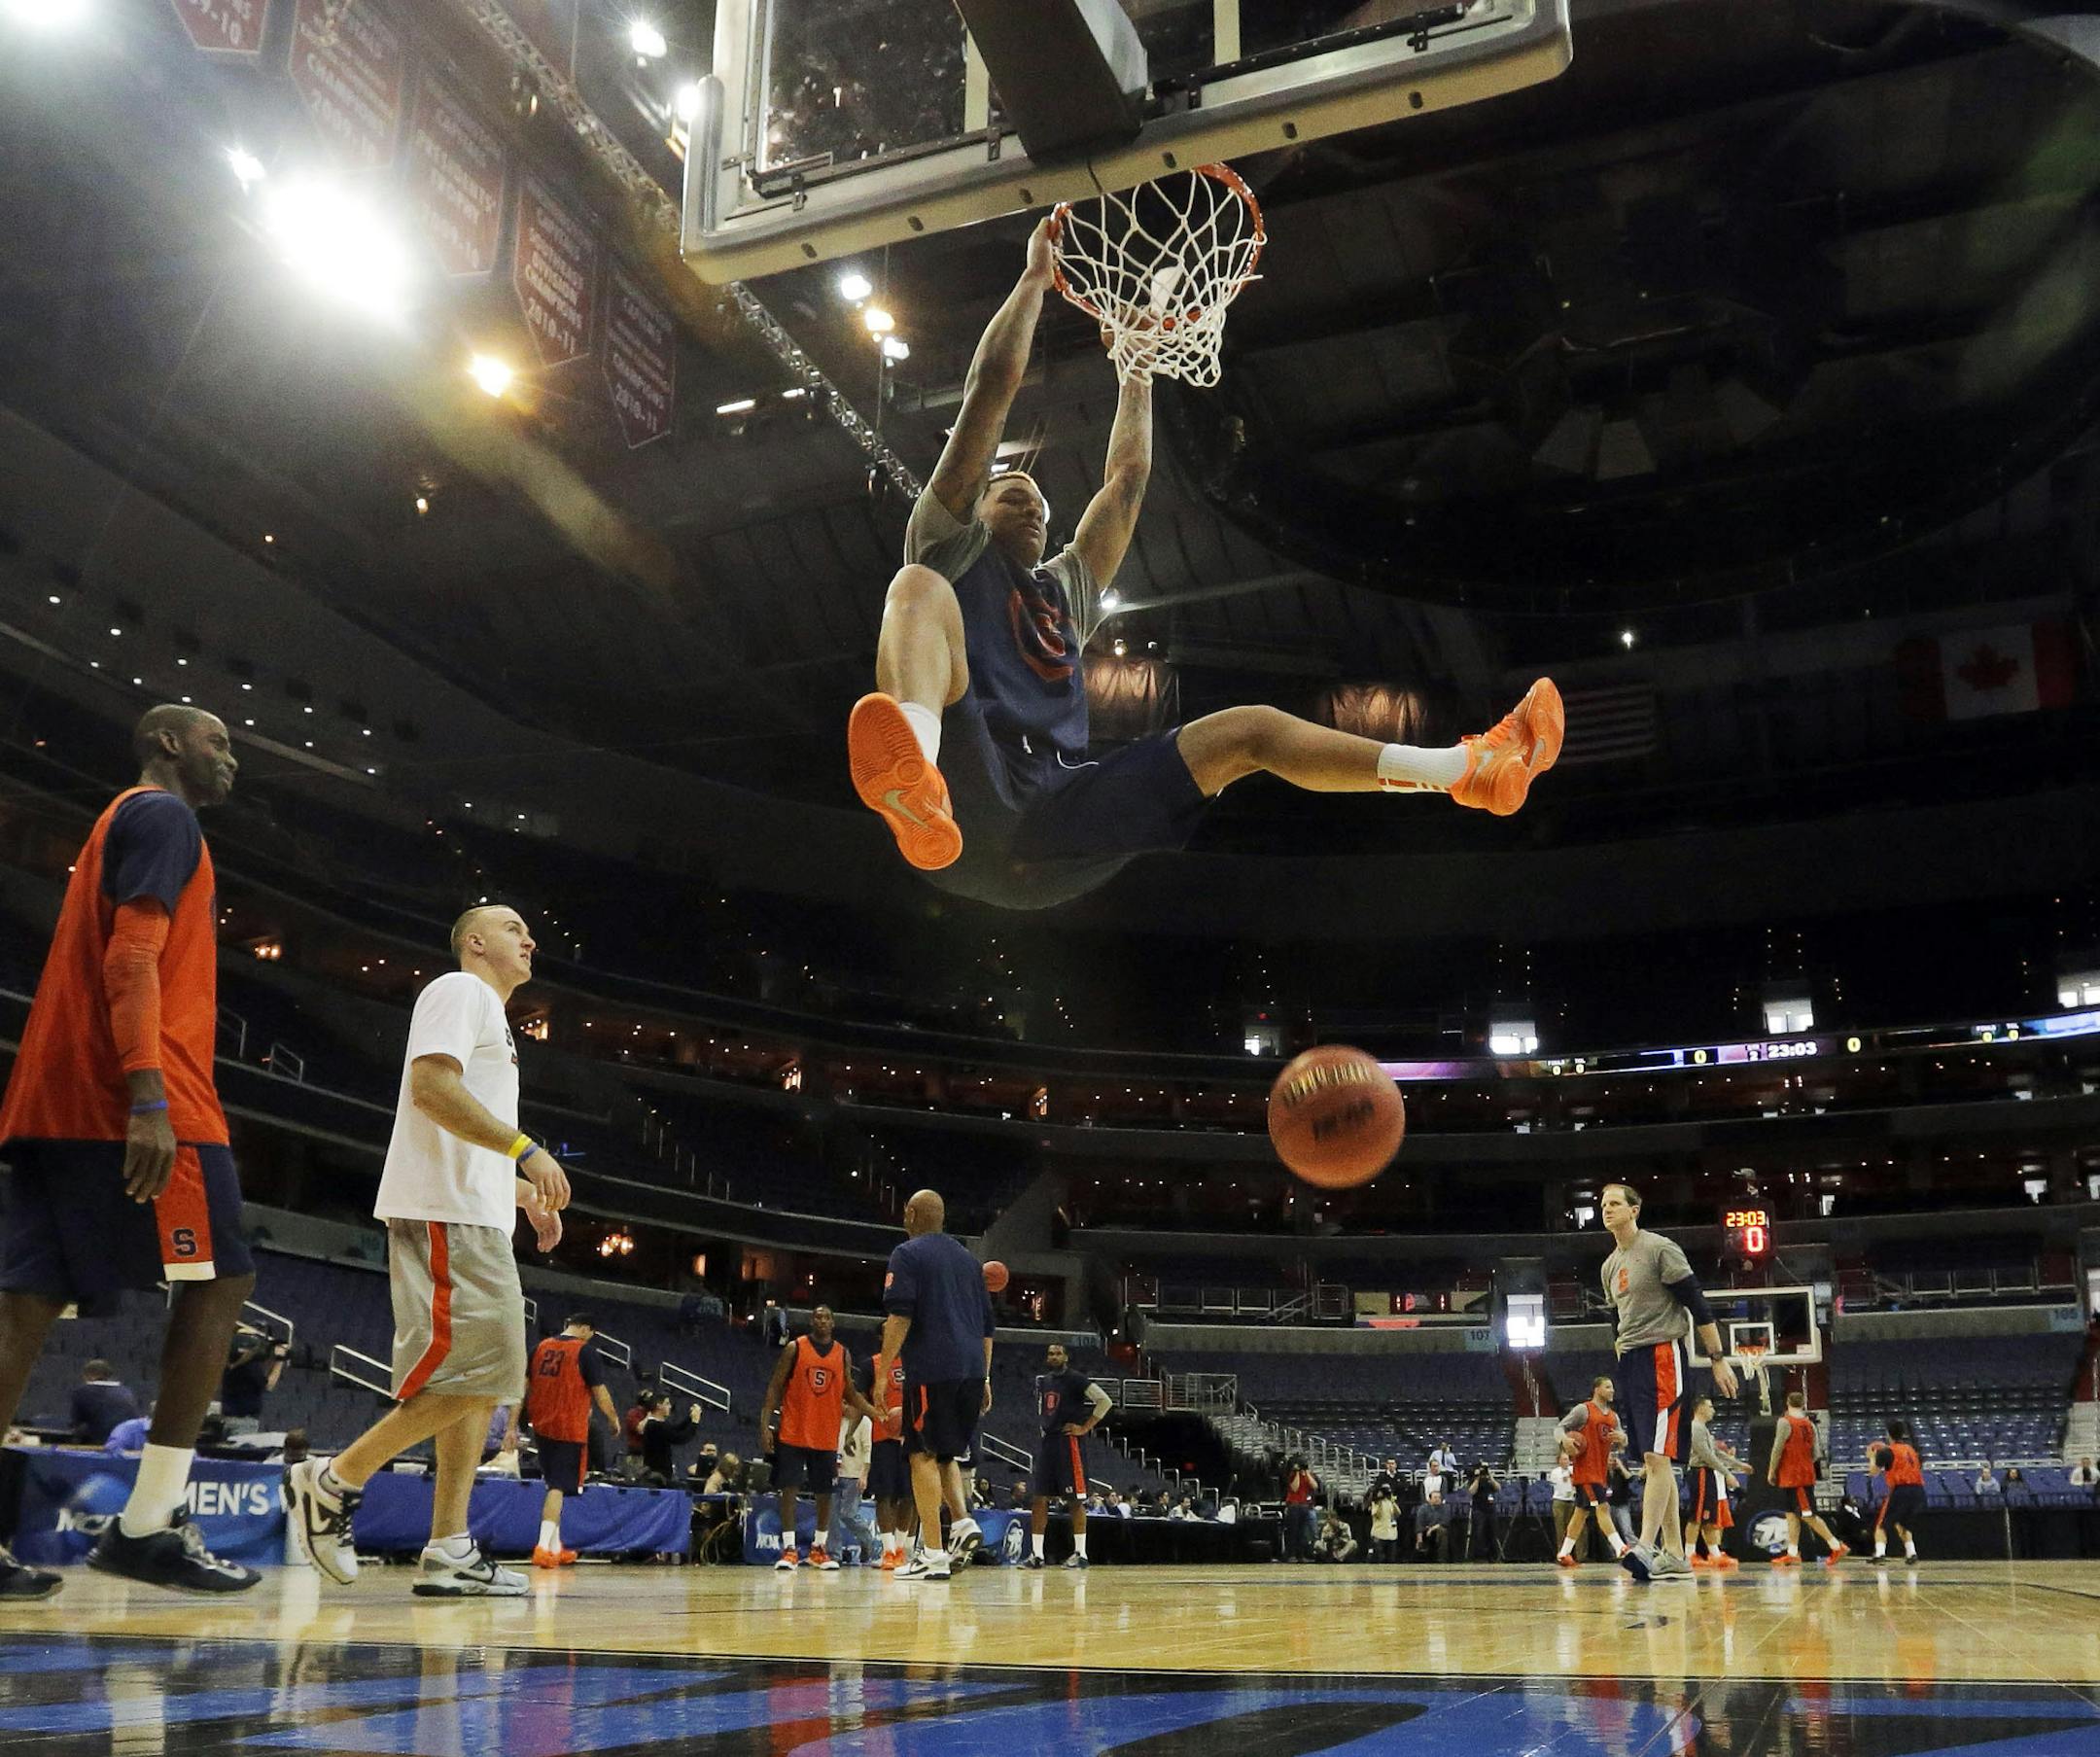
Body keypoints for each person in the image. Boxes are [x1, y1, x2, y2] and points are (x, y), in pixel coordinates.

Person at [846, 219, 1565, 912]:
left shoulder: (1063, 592)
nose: (1034, 504)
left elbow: (1126, 479)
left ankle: (1465, 770)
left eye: (1039, 499)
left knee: (1246, 730)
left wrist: (1135, 365)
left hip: (1058, 818)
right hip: (967, 792)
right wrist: (1035, 279)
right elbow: (990, 390)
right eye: (1014, 492)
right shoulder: (949, 543)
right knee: (915, 587)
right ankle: (917, 777)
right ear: (977, 506)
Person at [0, 705, 261, 1599]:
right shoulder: (162, 815)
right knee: (219, 1280)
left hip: (53, 1091)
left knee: (22, 1306)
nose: (232, 757)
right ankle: (146, 1524)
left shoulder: (122, 818)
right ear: (166, 745)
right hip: (136, 1099)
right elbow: (132, 960)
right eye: (217, 741)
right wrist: (149, 1096)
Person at [283, 905, 570, 1599]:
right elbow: (431, 1088)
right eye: (511, 927)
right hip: (446, 1215)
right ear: (474, 942)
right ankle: (332, 1479)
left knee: (476, 1382)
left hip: (473, 1212)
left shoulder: (494, 1019)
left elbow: (454, 1126)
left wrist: (515, 1192)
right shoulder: (458, 989)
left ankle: (448, 1544)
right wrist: (525, 1150)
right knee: (489, 1373)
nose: (528, 938)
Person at [1599, 1181, 1739, 1582]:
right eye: (1603, 1204)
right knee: (1652, 1459)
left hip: (1664, 1355)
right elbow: (1616, 1318)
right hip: (1632, 1362)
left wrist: (1717, 1359)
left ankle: (1644, 1546)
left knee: (1657, 1458)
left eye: (1614, 1204)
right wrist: (1621, 1354)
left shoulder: (1660, 1249)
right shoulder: (1610, 1265)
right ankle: (1676, 1554)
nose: (1607, 1210)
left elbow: (1697, 1303)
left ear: (1634, 1210)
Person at [873, 1190, 994, 1581]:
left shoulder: (906, 1254)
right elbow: (988, 1330)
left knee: (920, 1455)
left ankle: (933, 1553)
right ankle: (961, 1523)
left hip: (933, 1369)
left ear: (910, 1214)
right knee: (945, 1455)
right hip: (972, 1371)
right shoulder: (970, 1262)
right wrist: (986, 1377)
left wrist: (882, 1371)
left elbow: (899, 1316)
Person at [760, 1304, 878, 1572]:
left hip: (826, 1435)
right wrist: (765, 1425)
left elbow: (851, 1392)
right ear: (811, 1321)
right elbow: (775, 1386)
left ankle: (819, 1549)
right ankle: (789, 1549)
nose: (822, 1320)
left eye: (826, 1317)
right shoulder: (795, 1348)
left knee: (825, 1494)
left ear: (833, 1323)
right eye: (817, 1316)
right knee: (789, 1488)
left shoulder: (842, 1354)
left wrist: (876, 1414)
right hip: (793, 1430)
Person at [524, 1315, 619, 1567]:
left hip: (542, 1426)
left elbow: (523, 1386)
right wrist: (612, 1419)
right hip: (568, 1427)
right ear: (586, 1329)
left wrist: (514, 1423)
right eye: (592, 1333)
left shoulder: (540, 1347)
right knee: (557, 1486)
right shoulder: (585, 1352)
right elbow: (600, 1391)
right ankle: (543, 1547)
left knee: (556, 1484)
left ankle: (556, 1546)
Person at [1024, 1342, 1112, 1570]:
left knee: (1074, 1501)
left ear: (1066, 1357)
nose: (1053, 1356)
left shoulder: (1077, 1379)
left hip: (1069, 1442)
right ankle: (1036, 1555)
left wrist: (1084, 1427)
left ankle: (1081, 1554)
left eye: (1058, 1353)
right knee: (1039, 1499)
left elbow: (1105, 1401)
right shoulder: (1044, 1381)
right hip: (1049, 1443)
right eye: (1050, 1353)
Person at [1767, 1389, 1848, 1567]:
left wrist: (1772, 1471)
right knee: (1791, 1515)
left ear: (1787, 1402)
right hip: (1803, 1474)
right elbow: (1816, 1453)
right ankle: (1792, 1553)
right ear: (1802, 1404)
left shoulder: (1784, 1422)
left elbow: (1777, 1449)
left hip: (1795, 1477)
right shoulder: (1809, 1424)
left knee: (1809, 1515)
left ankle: (1836, 1545)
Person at [1557, 1375, 1628, 1567]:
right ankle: (1620, 1547)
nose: (1612, 1390)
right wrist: (1564, 1440)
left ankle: (1563, 1554)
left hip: (1601, 1471)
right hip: (1586, 1471)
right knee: (1603, 1508)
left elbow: (1623, 1442)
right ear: (1597, 1389)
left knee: (1581, 1513)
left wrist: (1622, 1438)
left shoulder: (1613, 1417)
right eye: (1608, 1386)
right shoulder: (1583, 1410)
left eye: (1612, 1387)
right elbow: (1560, 1427)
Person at [864, 1351, 913, 1570]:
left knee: (909, 1497)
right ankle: (888, 1551)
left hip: (911, 1438)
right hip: (882, 1438)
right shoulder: (872, 1364)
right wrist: (877, 1416)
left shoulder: (917, 1360)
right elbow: (860, 1399)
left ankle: (901, 1550)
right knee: (884, 1495)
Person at [1684, 1395, 1742, 1568]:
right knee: (1697, 1515)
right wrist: (1727, 1473)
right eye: (1710, 1406)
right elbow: (1706, 1455)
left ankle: (1715, 1554)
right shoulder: (1695, 1427)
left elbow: (1716, 1452)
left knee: (1708, 1517)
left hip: (1706, 1474)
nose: (1713, 1410)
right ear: (1700, 1408)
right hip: (1700, 1472)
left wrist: (1739, 1464)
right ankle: (1689, 1555)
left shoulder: (1704, 1429)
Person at [830, 1394, 881, 1566]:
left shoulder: (864, 1421)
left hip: (854, 1475)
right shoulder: (835, 1421)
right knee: (832, 1516)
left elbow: (868, 1449)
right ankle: (834, 1554)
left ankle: (866, 1538)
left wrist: (864, 1474)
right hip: (836, 1473)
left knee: (848, 1514)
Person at [1872, 1418, 1927, 1564]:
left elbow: (1873, 1472)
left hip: (1902, 1489)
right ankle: (1911, 1553)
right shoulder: (1911, 1450)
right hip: (1919, 1490)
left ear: (1888, 1434)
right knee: (1903, 1524)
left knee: (1881, 1524)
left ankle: (1880, 1554)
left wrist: (1872, 1457)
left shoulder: (1887, 1451)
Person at [220, 1328, 288, 1437]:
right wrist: (280, 1360)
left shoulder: (228, 1363)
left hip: (226, 1419)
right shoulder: (251, 1366)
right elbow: (269, 1385)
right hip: (243, 1422)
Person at [71, 1361, 142, 1448]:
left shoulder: (81, 1392)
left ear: (88, 1375)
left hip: (98, 1448)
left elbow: (76, 1424)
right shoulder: (126, 1391)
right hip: (130, 1446)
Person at [639, 1394, 699, 1486]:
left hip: (659, 1473)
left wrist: (690, 1417)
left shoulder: (656, 1424)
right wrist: (695, 1422)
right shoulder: (655, 1426)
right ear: (659, 1405)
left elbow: (675, 1429)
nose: (670, 1406)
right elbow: (680, 1438)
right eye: (667, 1403)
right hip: (658, 1476)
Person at [1282, 1458, 1320, 1562]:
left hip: (1304, 1506)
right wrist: (1297, 1473)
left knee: (1301, 1532)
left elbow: (1314, 1486)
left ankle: (1301, 1555)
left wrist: (1306, 1472)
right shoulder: (1292, 1475)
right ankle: (1291, 1555)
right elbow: (1295, 1487)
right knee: (1293, 1531)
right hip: (1294, 1505)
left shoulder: (1308, 1475)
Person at [1548, 1444, 1579, 1557]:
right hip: (1559, 1500)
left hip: (1572, 1500)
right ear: (1559, 1461)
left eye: (1567, 1459)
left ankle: (1579, 1555)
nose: (1566, 1461)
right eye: (1564, 1459)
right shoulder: (1555, 1472)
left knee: (1575, 1528)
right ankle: (1562, 1554)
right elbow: (1558, 1483)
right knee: (1560, 1529)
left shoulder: (1573, 1469)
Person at [1467, 1462, 1501, 1560]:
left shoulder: (1489, 1480)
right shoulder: (1473, 1479)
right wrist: (1477, 1478)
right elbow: (1471, 1491)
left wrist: (1490, 1476)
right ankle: (1479, 1556)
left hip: (1490, 1509)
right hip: (1479, 1509)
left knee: (1492, 1532)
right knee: (1479, 1532)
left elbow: (1498, 1488)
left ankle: (1492, 1555)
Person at [1412, 1490, 1451, 1563]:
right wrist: (1419, 1540)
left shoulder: (1446, 1508)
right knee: (1420, 1539)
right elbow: (1419, 1524)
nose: (1438, 1499)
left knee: (1442, 1531)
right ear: (1429, 1499)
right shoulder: (1423, 1508)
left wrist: (1432, 1529)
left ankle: (1441, 1559)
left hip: (1439, 1529)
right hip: (1426, 1531)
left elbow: (1445, 1522)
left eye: (1439, 1497)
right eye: (1435, 1497)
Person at [1368, 1480, 1400, 1564]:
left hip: (1391, 1534)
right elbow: (1376, 1514)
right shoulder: (1376, 1503)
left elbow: (1398, 1513)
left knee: (1391, 1559)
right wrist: (1379, 1500)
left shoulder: (1390, 1503)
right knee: (1380, 1558)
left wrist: (1393, 1502)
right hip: (1379, 1534)